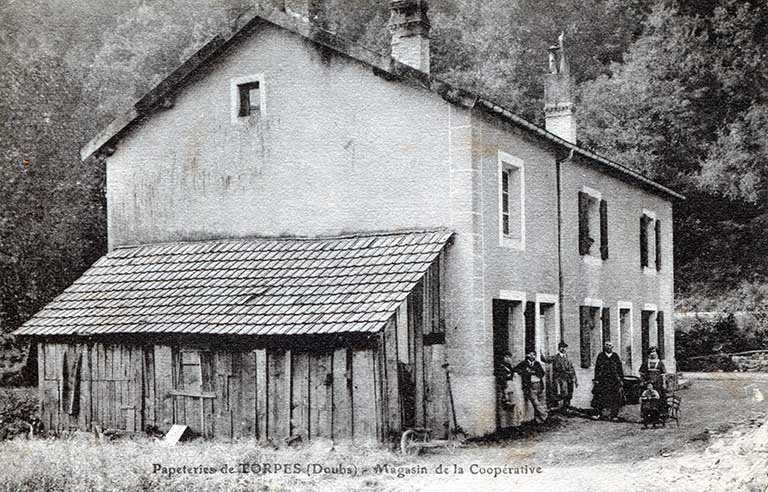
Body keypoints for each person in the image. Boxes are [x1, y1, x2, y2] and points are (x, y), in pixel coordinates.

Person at [592, 341, 625, 421]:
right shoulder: (601, 356)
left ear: (612, 347)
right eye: (606, 345)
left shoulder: (615, 356)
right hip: (603, 380)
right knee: (599, 396)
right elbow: (597, 368)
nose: (608, 347)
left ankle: (614, 415)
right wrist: (596, 379)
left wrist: (621, 379)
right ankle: (598, 414)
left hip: (613, 380)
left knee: (615, 397)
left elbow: (620, 369)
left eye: (610, 345)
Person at [541, 341, 578, 412]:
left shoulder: (568, 358)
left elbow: (572, 369)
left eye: (565, 348)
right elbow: (545, 359)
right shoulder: (555, 357)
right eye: (562, 347)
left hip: (569, 378)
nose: (564, 349)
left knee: (570, 394)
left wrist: (575, 379)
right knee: (564, 393)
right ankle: (554, 402)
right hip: (560, 378)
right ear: (559, 348)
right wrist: (541, 352)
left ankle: (566, 408)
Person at [514, 350, 548, 423]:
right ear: (528, 355)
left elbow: (542, 374)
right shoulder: (524, 363)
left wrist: (533, 372)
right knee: (535, 402)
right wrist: (524, 372)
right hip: (530, 386)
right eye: (531, 355)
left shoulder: (537, 364)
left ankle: (538, 420)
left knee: (540, 402)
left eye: (534, 355)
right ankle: (545, 416)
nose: (533, 356)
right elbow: (515, 369)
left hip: (538, 385)